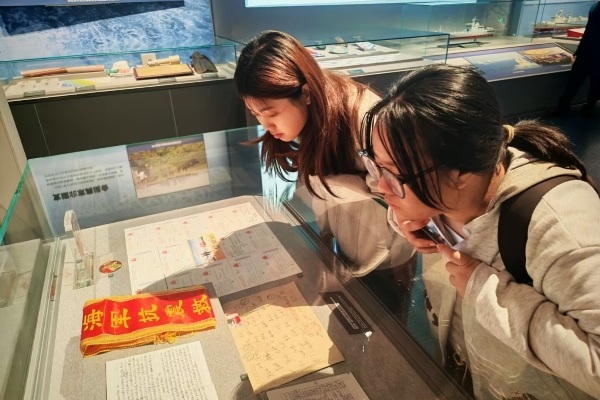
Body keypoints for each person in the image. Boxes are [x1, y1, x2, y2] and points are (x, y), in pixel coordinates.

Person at [361, 64, 600, 399]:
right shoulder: (443, 195)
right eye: (376, 165)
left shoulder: (559, 224)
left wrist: (485, 290)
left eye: (395, 174)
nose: (380, 187)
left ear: (461, 173)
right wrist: (406, 220)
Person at [234, 30, 381, 197]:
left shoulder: (366, 120)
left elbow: (391, 190)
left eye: (272, 114)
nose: (266, 125)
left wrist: (337, 182)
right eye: (255, 113)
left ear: (306, 93)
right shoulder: (304, 118)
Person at [556, 1, 600, 116]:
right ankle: (567, 107)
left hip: (589, 53)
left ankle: (589, 106)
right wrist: (580, 50)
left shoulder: (595, 6)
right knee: (576, 81)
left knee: (592, 83)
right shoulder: (595, 6)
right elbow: (589, 30)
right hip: (586, 52)